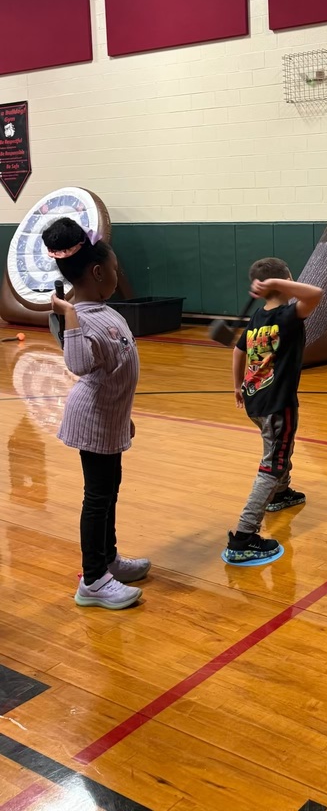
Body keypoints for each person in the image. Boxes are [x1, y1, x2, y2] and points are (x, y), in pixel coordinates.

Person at [43, 217, 149, 610]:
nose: (118, 276)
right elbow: (79, 363)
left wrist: (125, 414)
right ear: (99, 271)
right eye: (116, 270)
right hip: (92, 422)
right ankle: (92, 581)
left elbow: (116, 371)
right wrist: (67, 314)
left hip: (109, 419)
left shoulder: (104, 311)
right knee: (98, 498)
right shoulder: (82, 317)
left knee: (109, 492)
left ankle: (109, 561)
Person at [223, 258, 323, 565]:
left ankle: (280, 494)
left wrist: (238, 386)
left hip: (255, 400)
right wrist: (280, 284)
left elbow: (239, 350)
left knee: (278, 446)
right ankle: (243, 537)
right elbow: (316, 294)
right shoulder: (287, 315)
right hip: (277, 403)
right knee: (273, 460)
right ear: (286, 280)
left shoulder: (259, 315)